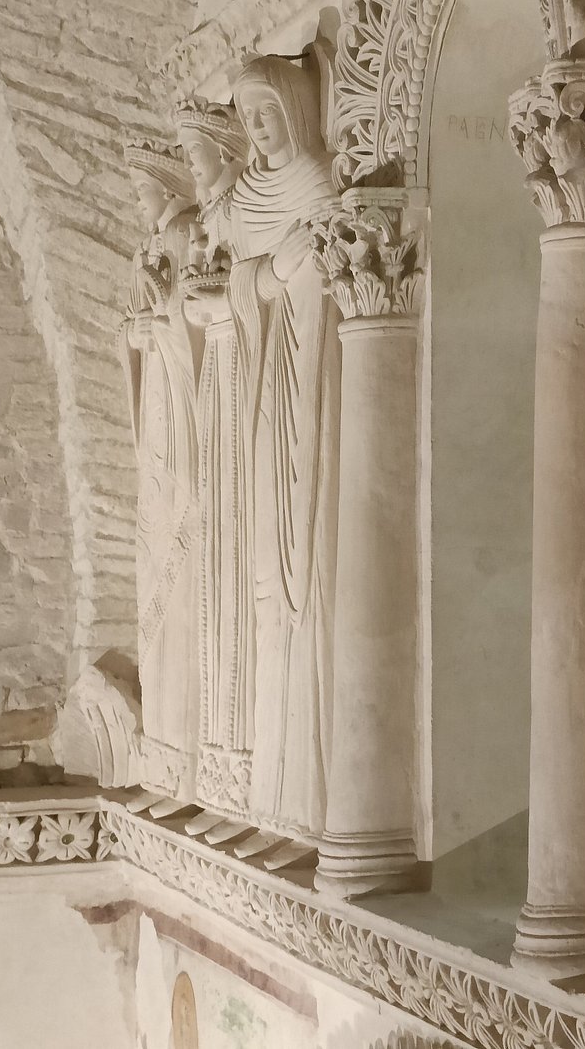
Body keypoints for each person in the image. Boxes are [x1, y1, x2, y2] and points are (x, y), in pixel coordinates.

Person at [228, 54, 340, 840]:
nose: (256, 128)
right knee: (267, 565)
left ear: (293, 109)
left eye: (265, 112)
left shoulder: (316, 180)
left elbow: (332, 253)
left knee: (304, 552)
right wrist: (269, 273)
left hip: (313, 364)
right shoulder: (245, 199)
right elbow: (243, 283)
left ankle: (309, 790)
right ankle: (272, 794)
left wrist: (289, 271)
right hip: (266, 379)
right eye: (246, 118)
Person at [176, 98, 253, 814]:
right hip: (218, 391)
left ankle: (242, 771)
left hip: (245, 391)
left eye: (200, 162)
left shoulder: (247, 211)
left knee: (237, 568)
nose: (196, 180)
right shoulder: (216, 223)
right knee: (218, 572)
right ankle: (219, 764)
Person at [118, 140, 202, 798]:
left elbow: (191, 324)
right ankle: (170, 738)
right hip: (162, 410)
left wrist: (160, 313)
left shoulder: (186, 235)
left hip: (181, 407)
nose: (143, 205)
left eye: (147, 192)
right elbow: (142, 328)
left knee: (176, 518)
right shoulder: (158, 245)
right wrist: (141, 321)